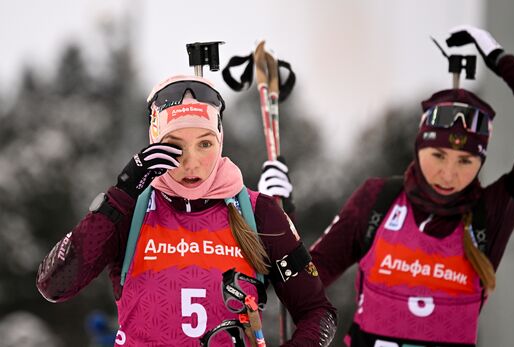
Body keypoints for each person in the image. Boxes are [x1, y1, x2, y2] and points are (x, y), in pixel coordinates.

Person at [258, 25, 514, 346]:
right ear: (420, 147)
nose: (449, 173)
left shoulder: (491, 212)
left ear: (480, 163)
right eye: (438, 155)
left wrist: (499, 58)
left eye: (465, 162)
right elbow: (307, 283)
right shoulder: (379, 199)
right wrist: (281, 218)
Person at [36, 74, 337, 346]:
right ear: (154, 142)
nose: (190, 163)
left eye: (205, 144)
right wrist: (120, 196)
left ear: (220, 140)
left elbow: (318, 313)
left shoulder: (257, 211)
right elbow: (54, 284)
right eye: (174, 146)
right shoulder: (131, 210)